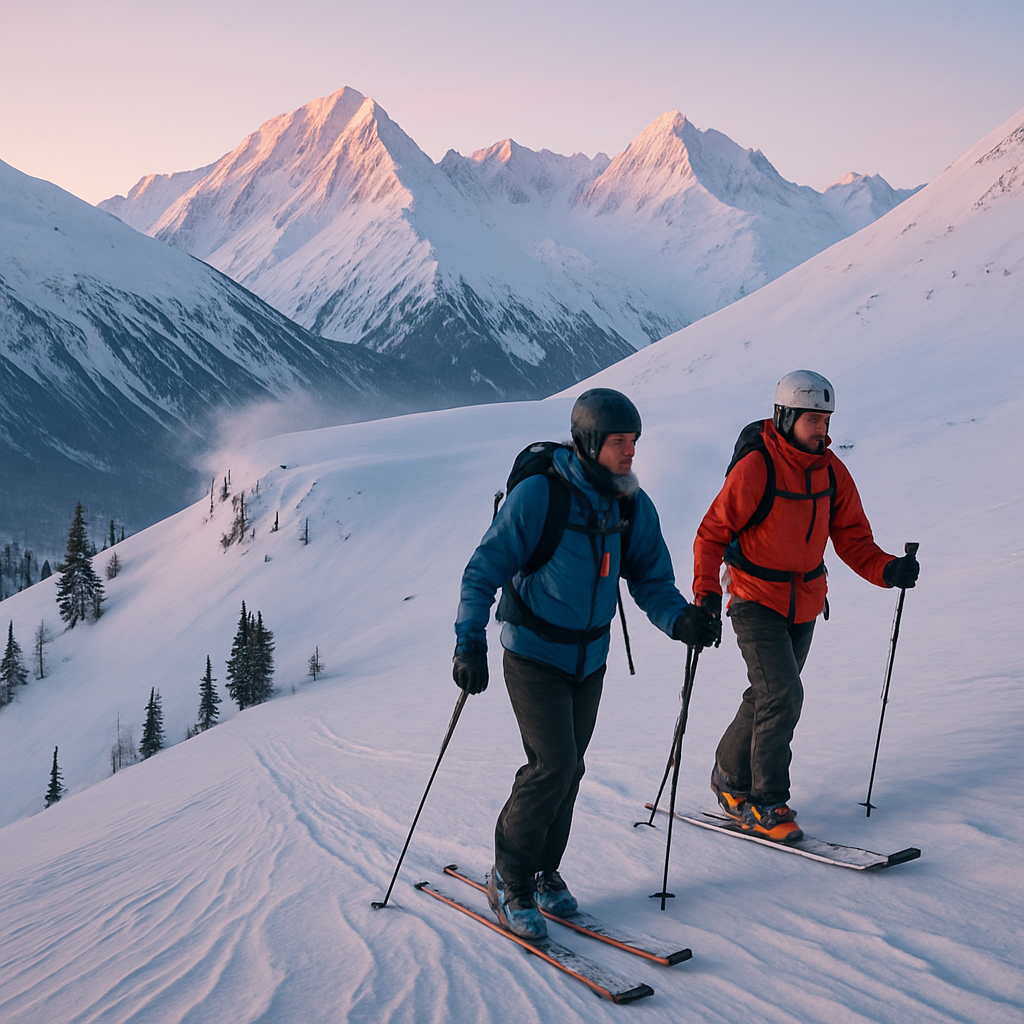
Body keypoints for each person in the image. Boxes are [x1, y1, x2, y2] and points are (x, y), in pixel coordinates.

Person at [453, 388, 719, 939]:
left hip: (590, 659)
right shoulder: (541, 496)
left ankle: (543, 870)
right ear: (589, 442)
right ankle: (509, 877)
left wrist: (680, 621)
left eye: (634, 441)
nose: (631, 452)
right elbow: (484, 567)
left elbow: (651, 579)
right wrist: (469, 641)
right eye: (620, 442)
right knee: (551, 765)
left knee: (570, 768)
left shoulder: (630, 504)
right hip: (533, 653)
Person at [692, 370, 920, 842]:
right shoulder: (757, 467)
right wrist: (706, 594)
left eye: (826, 419)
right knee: (782, 694)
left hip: (805, 603)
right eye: (813, 419)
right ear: (785, 416)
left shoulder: (832, 472)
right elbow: (712, 533)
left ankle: (728, 776)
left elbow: (854, 539)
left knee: (768, 694)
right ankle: (766, 802)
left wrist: (888, 569)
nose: (822, 428)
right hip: (755, 598)